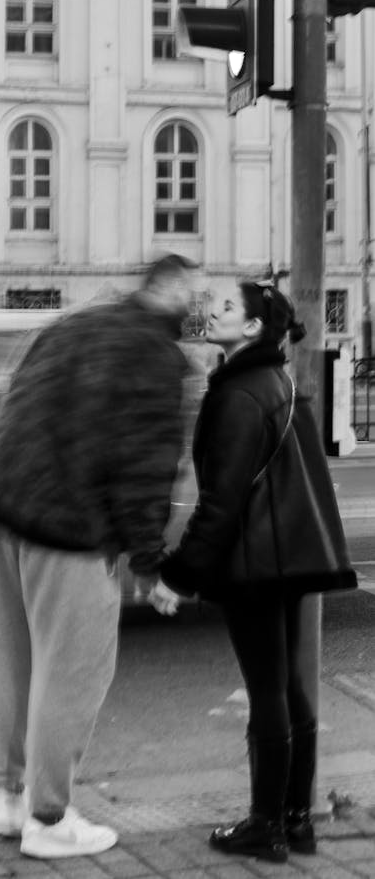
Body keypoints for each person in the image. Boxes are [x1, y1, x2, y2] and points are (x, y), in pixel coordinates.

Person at [0, 254, 196, 859]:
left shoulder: (71, 324)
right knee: (72, 671)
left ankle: (8, 799)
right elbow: (145, 466)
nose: (196, 302)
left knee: (8, 659)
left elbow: (11, 400)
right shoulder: (158, 357)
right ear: (167, 288)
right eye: (192, 289)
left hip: (0, 502)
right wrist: (148, 563)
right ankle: (49, 817)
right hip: (69, 525)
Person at [151, 281, 358, 863]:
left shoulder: (241, 393)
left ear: (251, 330)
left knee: (268, 690)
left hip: (257, 563)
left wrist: (179, 574)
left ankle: (265, 825)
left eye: (224, 307)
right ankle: (296, 822)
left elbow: (223, 499)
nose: (209, 310)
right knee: (289, 687)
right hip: (287, 557)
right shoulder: (277, 382)